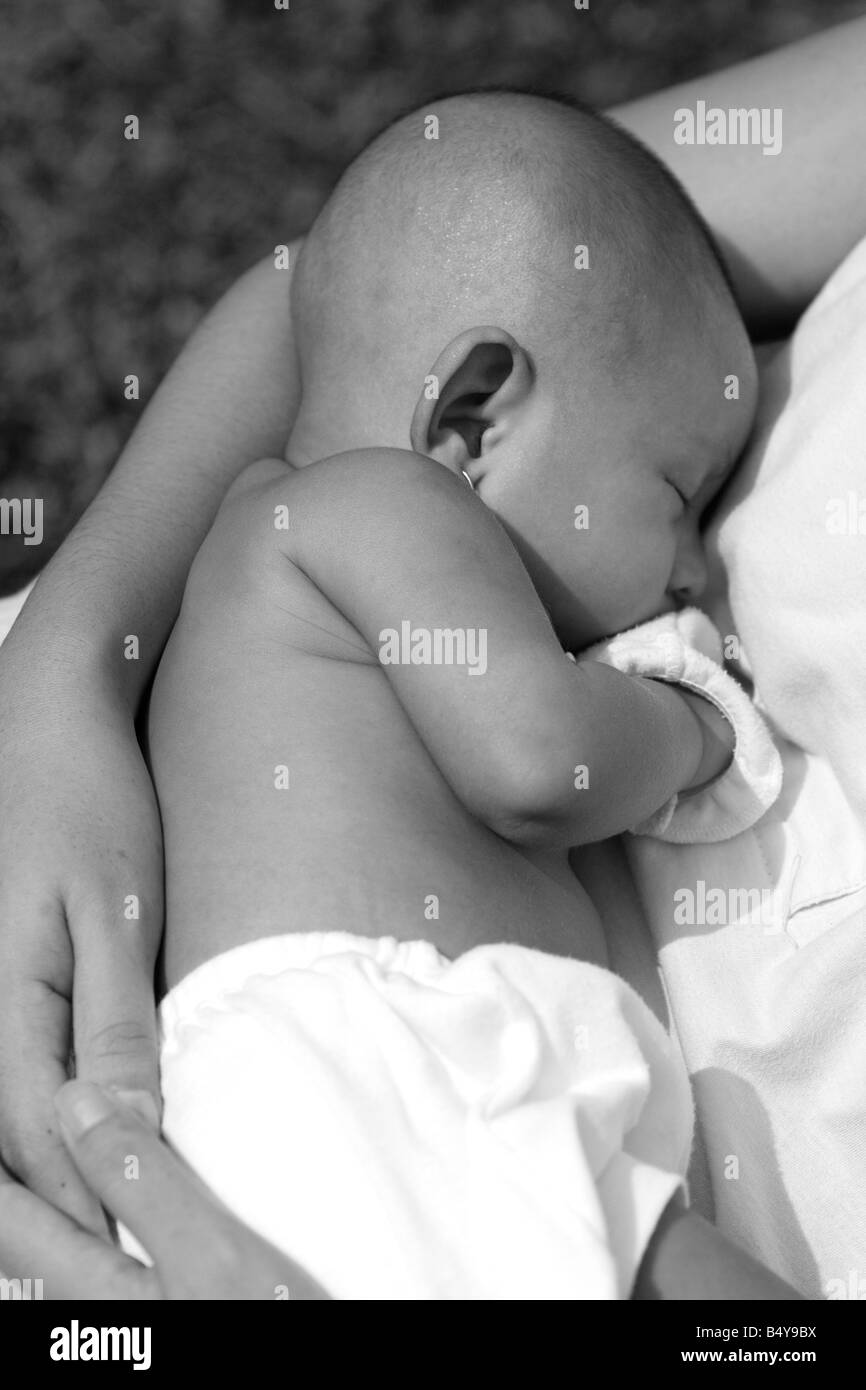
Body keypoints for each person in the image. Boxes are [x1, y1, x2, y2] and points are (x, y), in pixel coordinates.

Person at [1, 15, 863, 1295]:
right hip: (389, 1062)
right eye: (677, 491)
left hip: (449, 1083)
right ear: (468, 423)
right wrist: (689, 721)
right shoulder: (376, 509)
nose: (691, 566)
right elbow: (537, 758)